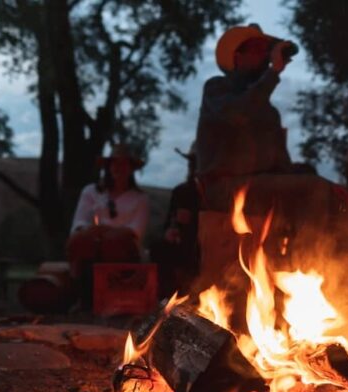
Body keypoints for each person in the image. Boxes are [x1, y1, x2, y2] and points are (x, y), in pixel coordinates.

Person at [196, 24, 294, 183]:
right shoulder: (216, 88)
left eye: (266, 50)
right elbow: (239, 113)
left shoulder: (269, 112)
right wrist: (273, 72)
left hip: (261, 191)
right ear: (237, 57)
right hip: (222, 187)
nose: (265, 56)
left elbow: (282, 165)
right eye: (257, 50)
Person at [66, 143, 149, 305]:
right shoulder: (91, 192)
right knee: (79, 241)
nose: (119, 168)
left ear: (131, 168)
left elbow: (136, 230)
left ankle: (114, 296)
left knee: (115, 243)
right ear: (108, 166)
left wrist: (110, 232)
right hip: (92, 243)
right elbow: (79, 222)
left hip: (124, 250)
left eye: (124, 163)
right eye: (115, 163)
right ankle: (80, 296)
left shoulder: (140, 199)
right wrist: (92, 231)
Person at [150, 141, 202, 297]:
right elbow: (169, 222)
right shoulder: (181, 192)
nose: (193, 168)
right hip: (182, 244)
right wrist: (169, 232)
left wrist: (193, 221)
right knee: (159, 248)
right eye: (192, 163)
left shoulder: (218, 194)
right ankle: (167, 298)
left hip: (204, 245)